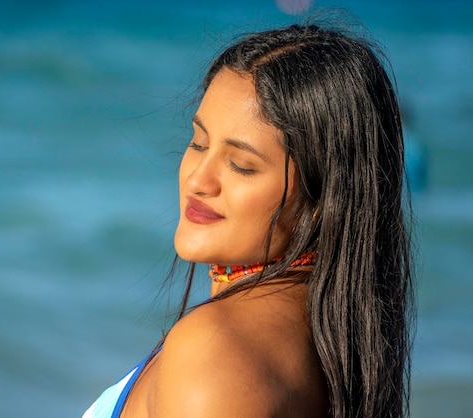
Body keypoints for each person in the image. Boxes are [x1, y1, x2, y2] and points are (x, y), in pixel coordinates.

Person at [84, 21, 414, 418]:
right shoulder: (326, 338)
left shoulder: (215, 352)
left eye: (241, 165)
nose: (198, 180)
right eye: (198, 143)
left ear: (323, 199)